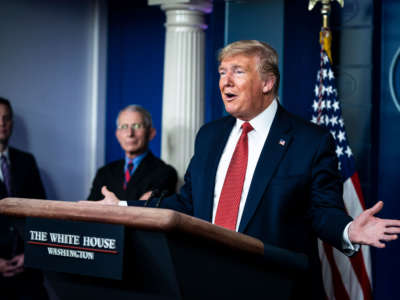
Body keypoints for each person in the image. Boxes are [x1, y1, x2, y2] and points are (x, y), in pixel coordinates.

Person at [96, 41, 400, 298]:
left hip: (274, 287)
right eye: (221, 73)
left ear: (267, 83)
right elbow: (187, 202)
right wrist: (122, 206)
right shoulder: (210, 136)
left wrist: (348, 230)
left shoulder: (310, 140)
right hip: (205, 283)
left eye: (237, 72)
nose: (225, 81)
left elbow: (322, 211)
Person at [0, 97, 48, 299]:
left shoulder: (27, 161)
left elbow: (42, 213)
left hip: (27, 270)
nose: (2, 123)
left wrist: (31, 253)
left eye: (6, 118)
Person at [87, 105, 177, 201]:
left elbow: (148, 211)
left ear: (151, 133)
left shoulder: (165, 173)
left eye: (137, 126)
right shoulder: (104, 173)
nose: (130, 133)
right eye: (124, 126)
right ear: (118, 134)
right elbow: (89, 210)